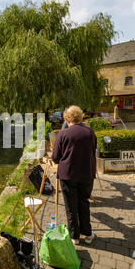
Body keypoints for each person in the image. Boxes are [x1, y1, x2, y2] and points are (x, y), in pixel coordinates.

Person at [51, 105, 97, 245]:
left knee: (71, 207)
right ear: (80, 117)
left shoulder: (63, 134)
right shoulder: (90, 133)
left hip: (68, 174)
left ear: (67, 118)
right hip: (86, 173)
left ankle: (74, 237)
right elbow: (93, 150)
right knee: (84, 203)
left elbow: (55, 158)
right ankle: (88, 234)